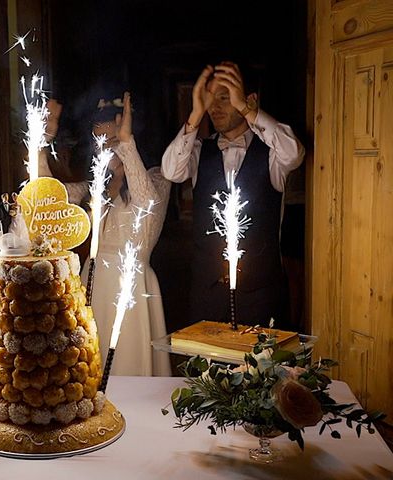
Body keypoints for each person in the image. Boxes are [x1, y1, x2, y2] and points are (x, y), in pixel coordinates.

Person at [161, 62, 304, 329]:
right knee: (205, 368)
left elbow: (294, 152)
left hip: (260, 292)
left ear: (248, 99)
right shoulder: (200, 149)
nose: (215, 107)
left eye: (225, 98)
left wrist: (249, 110)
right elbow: (171, 171)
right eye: (210, 100)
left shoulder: (271, 153)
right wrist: (195, 114)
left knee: (259, 369)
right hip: (207, 291)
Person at [40, 92, 171, 376]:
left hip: (132, 288)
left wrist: (126, 145)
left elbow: (147, 204)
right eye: (101, 143)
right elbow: (48, 197)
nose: (108, 151)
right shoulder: (94, 187)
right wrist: (41, 143)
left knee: (130, 373)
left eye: (114, 141)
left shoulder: (157, 178)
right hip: (93, 283)